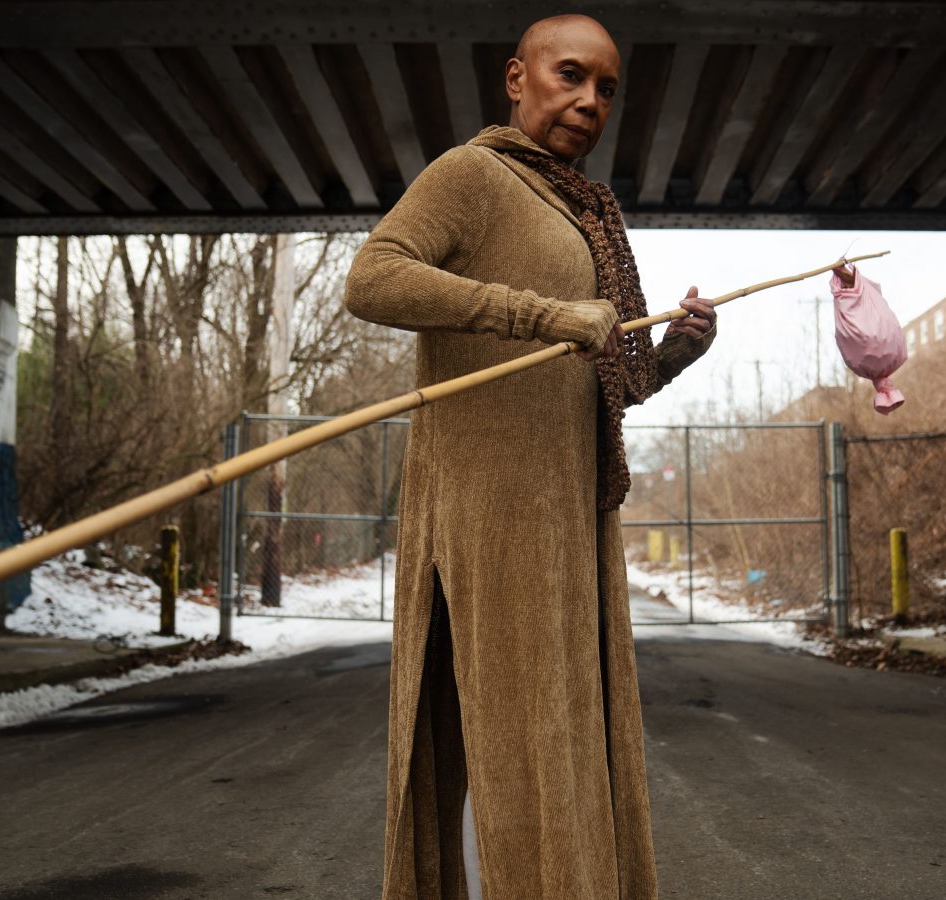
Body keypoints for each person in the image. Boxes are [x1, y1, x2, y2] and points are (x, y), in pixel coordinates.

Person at [344, 14, 716, 899]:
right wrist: (538, 314)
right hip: (489, 512)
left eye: (606, 89)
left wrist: (673, 352)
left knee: (573, 739)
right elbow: (373, 277)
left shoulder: (585, 210)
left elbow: (604, 380)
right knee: (524, 743)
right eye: (570, 75)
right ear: (518, 79)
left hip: (571, 512)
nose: (590, 102)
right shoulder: (474, 173)